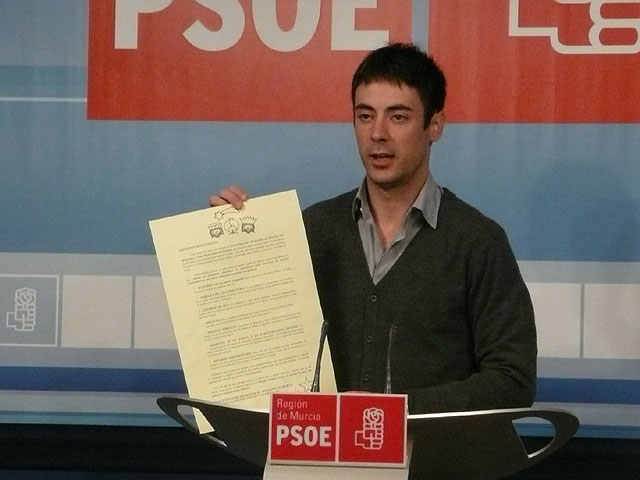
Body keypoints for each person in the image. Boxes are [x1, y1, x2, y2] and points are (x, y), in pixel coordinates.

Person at [210, 43, 537, 414]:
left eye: (398, 117)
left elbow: (512, 380)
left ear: (435, 125)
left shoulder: (478, 242)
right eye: (365, 116)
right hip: (319, 450)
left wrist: (394, 413)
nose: (377, 134)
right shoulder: (311, 231)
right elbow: (252, 348)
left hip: (429, 451)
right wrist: (231, 250)